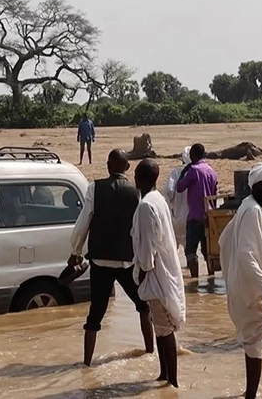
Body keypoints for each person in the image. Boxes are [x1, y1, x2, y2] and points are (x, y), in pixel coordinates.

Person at [69, 149, 153, 366]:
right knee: (144, 306)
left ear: (108, 166)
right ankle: (150, 353)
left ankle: (86, 364)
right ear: (127, 168)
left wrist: (75, 253)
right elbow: (142, 229)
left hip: (100, 263)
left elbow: (82, 226)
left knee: (94, 317)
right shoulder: (137, 193)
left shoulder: (95, 189)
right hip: (128, 262)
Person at [219, 163, 262, 399]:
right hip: (252, 291)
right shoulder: (253, 211)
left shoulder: (252, 208)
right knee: (255, 345)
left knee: (253, 343)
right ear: (255, 186)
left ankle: (250, 392)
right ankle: (251, 396)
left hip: (247, 286)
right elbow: (247, 255)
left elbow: (225, 240)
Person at [132, 159, 186, 388]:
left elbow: (148, 248)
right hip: (162, 272)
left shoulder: (146, 206)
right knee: (161, 328)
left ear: (142, 178)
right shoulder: (158, 200)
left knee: (164, 331)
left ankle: (171, 381)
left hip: (156, 275)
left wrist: (142, 273)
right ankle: (163, 374)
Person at [176, 143, 218, 278]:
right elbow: (215, 194)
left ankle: (194, 282)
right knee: (208, 252)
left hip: (194, 217)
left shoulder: (193, 170)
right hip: (209, 216)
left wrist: (184, 171)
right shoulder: (211, 171)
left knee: (191, 252)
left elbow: (180, 187)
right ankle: (211, 279)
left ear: (192, 155)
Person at [163, 146, 191, 250]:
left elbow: (168, 191)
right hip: (192, 219)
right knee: (190, 249)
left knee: (172, 250)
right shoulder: (197, 172)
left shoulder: (175, 173)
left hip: (176, 218)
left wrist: (171, 205)